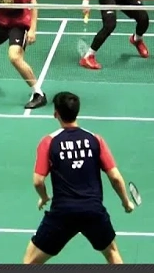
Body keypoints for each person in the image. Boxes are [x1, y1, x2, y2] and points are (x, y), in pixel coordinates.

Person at [23, 91, 136, 264]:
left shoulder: (48, 142)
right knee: (112, 253)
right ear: (77, 112)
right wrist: (126, 202)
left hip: (63, 213)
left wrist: (44, 197)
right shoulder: (95, 140)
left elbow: (38, 181)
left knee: (30, 261)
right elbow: (115, 178)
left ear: (56, 114)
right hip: (92, 211)